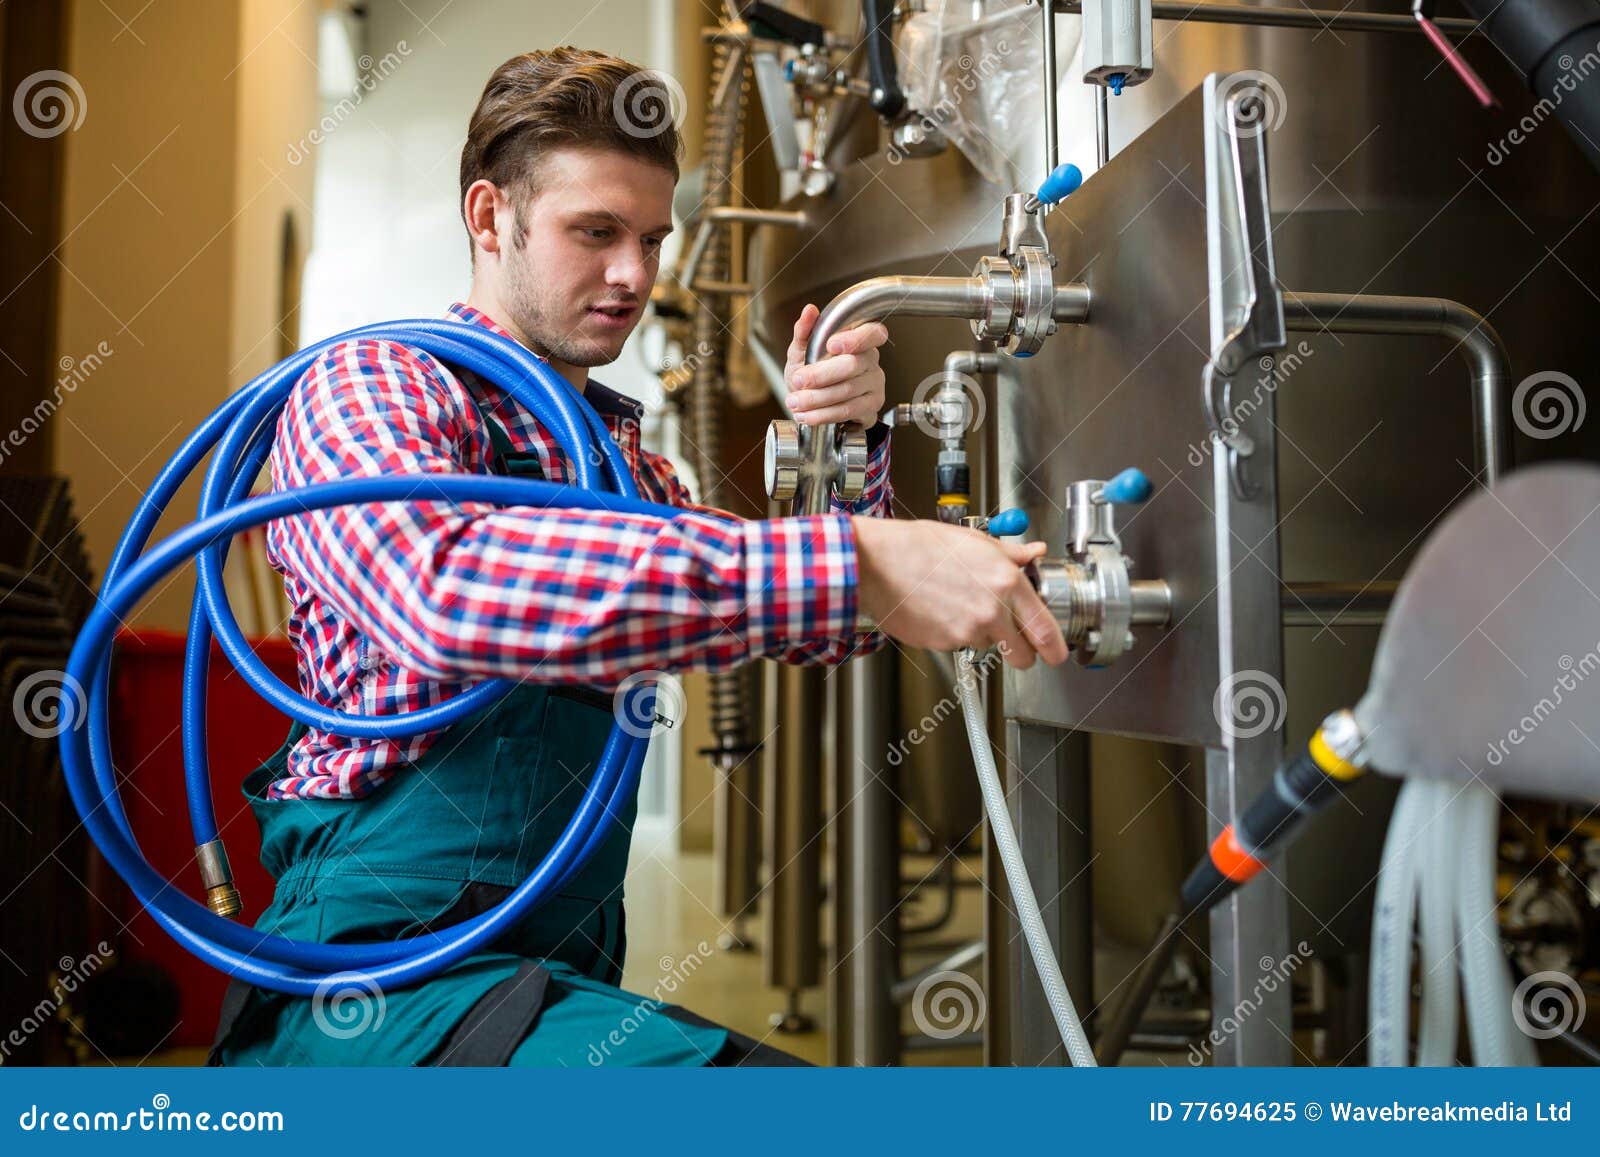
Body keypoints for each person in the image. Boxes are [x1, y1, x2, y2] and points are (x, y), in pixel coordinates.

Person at [210, 46, 1066, 1069]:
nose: (632, 275)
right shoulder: (374, 384)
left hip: (543, 975)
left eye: (652, 239)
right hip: (386, 986)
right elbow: (445, 590)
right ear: (489, 218)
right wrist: (861, 559)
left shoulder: (627, 471)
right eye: (595, 232)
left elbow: (823, 625)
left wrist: (846, 449)